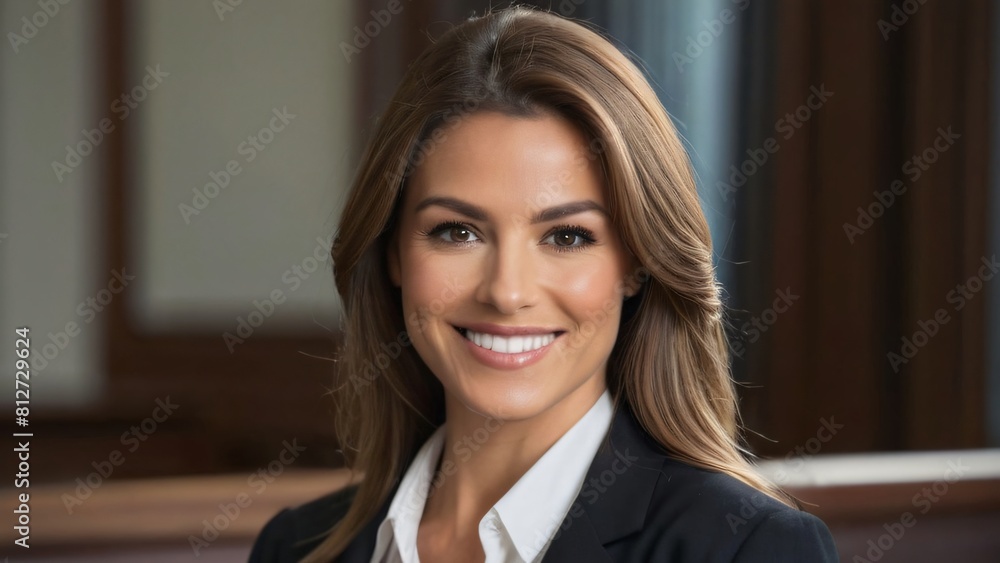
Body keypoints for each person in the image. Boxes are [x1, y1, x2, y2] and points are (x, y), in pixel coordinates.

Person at [250, 6, 839, 563]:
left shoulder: (743, 549)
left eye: (567, 237)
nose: (506, 293)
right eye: (457, 231)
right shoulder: (296, 547)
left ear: (637, 263)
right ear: (393, 254)